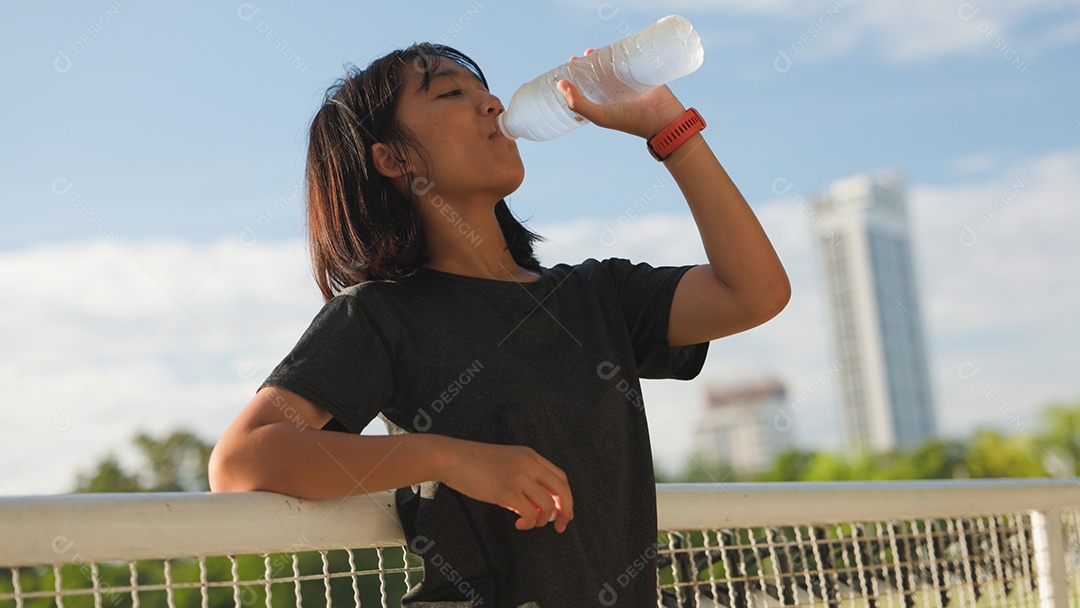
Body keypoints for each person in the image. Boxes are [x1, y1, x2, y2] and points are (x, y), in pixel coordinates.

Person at [208, 41, 789, 607]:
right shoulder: (381, 315)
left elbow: (755, 293)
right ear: (393, 157)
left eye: (483, 90)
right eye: (450, 93)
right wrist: (447, 457)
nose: (490, 103)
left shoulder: (597, 296)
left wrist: (667, 124)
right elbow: (242, 460)